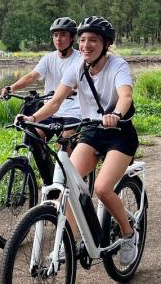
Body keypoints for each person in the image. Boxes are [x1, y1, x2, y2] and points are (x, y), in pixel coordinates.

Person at [17, 16, 140, 266]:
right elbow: (55, 102)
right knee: (67, 185)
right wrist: (32, 117)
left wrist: (115, 114)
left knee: (102, 189)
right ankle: (69, 241)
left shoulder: (117, 65)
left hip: (119, 134)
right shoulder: (77, 67)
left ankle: (129, 234)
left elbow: (125, 95)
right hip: (92, 132)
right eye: (83, 40)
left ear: (105, 44)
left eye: (93, 40)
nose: (86, 45)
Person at [0, 17, 82, 130]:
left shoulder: (80, 59)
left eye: (63, 35)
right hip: (49, 110)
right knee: (33, 136)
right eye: (55, 35)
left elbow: (82, 80)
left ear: (71, 38)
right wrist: (12, 88)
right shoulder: (48, 58)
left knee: (64, 143)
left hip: (72, 112)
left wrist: (71, 89)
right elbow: (32, 76)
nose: (58, 39)